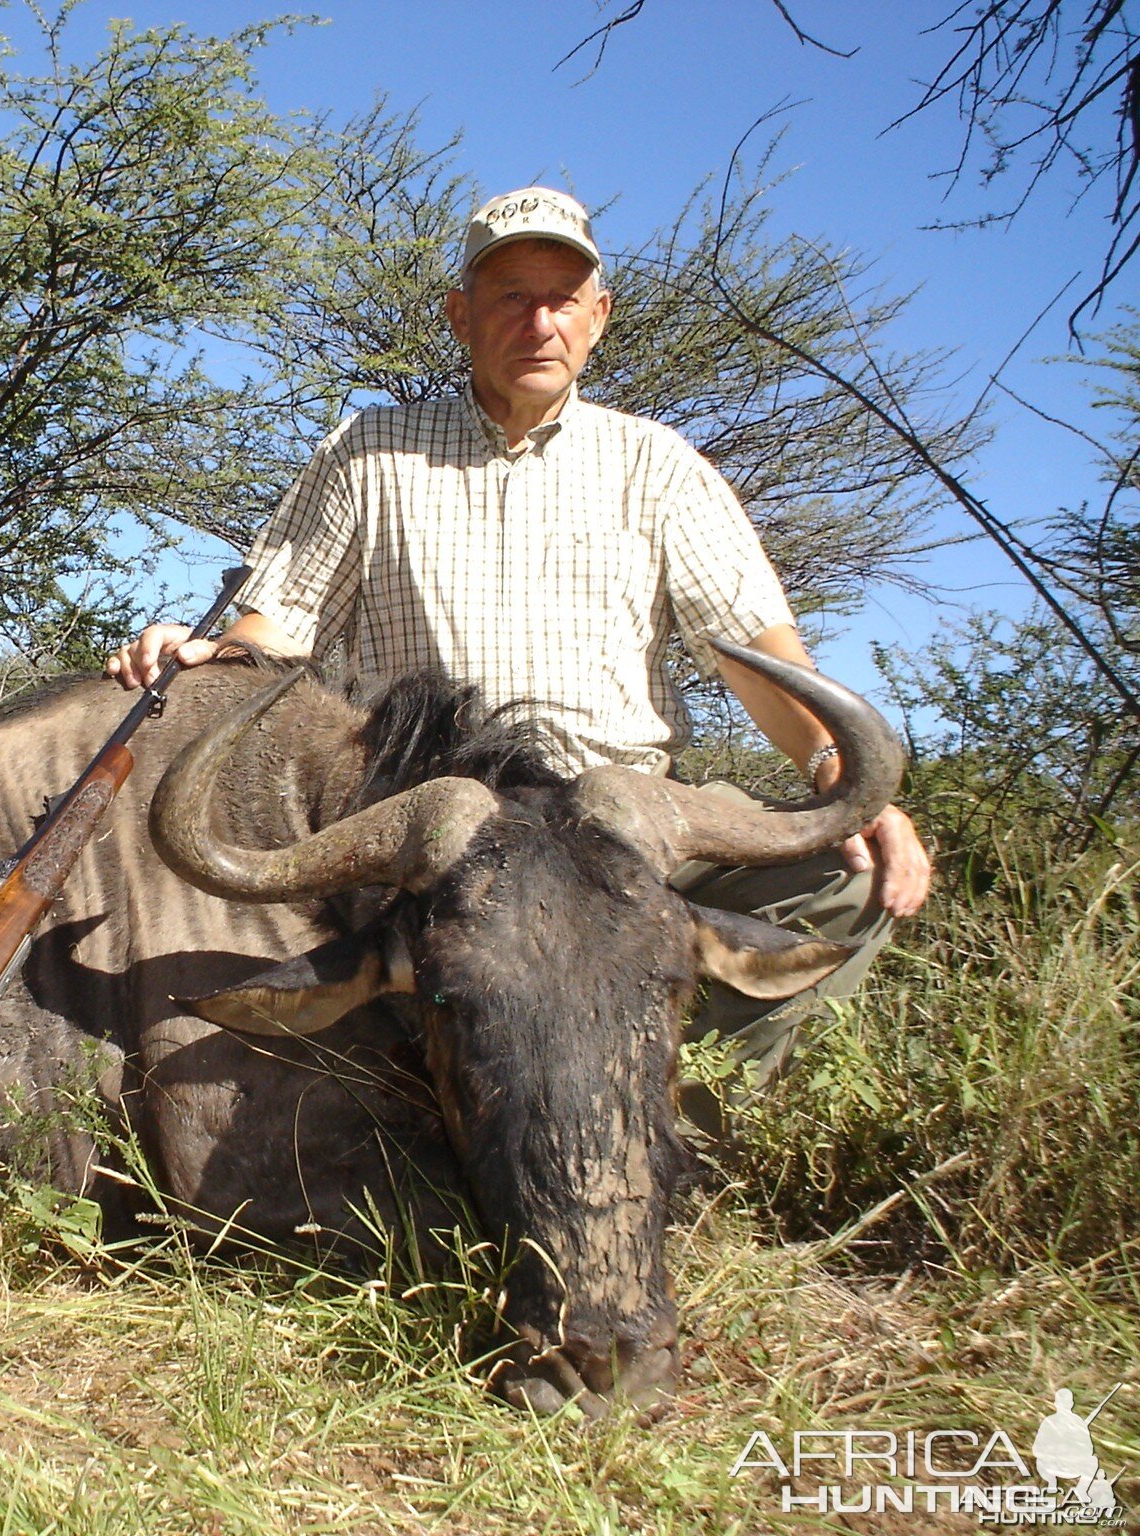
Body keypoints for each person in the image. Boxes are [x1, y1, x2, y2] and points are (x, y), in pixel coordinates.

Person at [106, 185, 930, 1117]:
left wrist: (831, 768)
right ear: (461, 314)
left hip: (618, 825)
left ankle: (658, 1116)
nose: (539, 321)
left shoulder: (658, 463)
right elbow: (276, 633)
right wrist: (200, 650)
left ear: (599, 315)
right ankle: (456, 1108)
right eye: (510, 296)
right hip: (438, 830)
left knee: (849, 871)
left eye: (563, 298)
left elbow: (754, 652)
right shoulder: (370, 450)